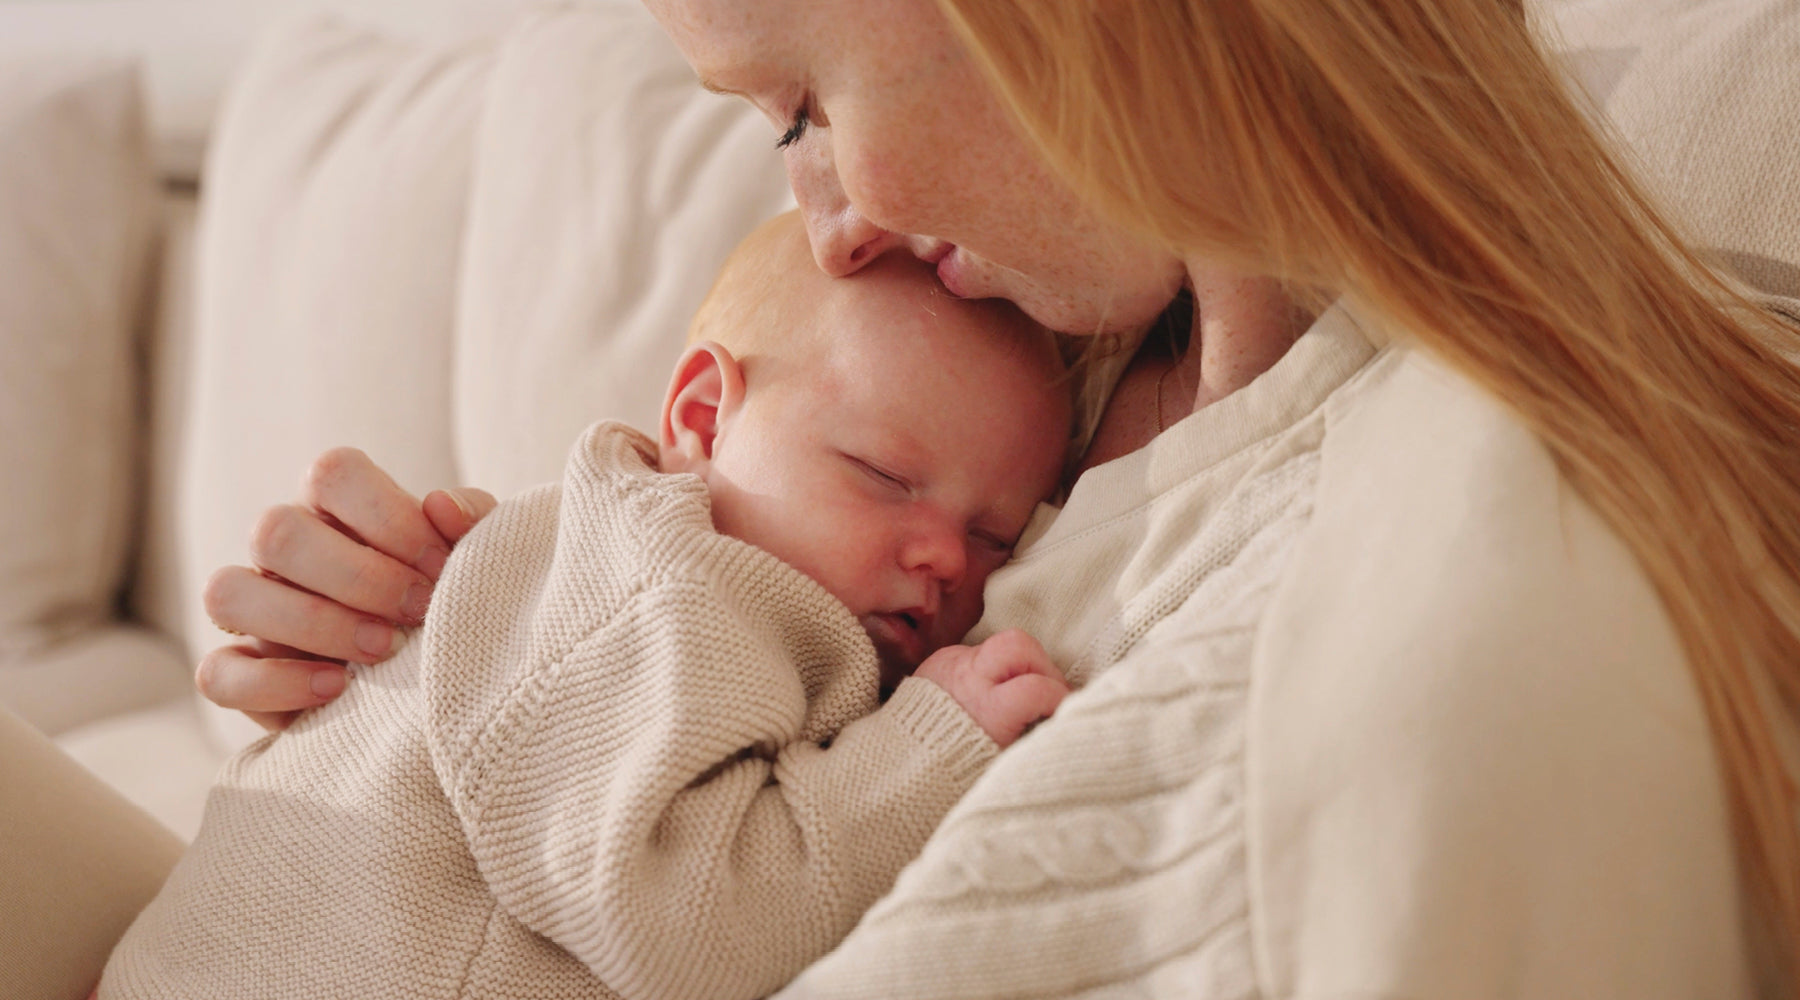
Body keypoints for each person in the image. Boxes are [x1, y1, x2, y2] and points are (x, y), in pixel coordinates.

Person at [193, 0, 1800, 996]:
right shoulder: (1024, 356)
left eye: (807, 108)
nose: (830, 230)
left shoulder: (1445, 509)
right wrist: (419, 620)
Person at [96, 211, 1074, 1000]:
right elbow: (677, 924)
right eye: (884, 474)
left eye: (996, 536)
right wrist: (926, 749)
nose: (948, 556)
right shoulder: (673, 587)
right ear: (701, 418)